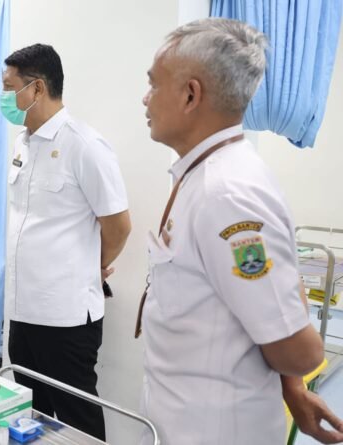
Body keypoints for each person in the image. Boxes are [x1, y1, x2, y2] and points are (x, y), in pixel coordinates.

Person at [138, 18, 342, 444]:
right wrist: (292, 387)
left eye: (154, 84)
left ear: (191, 95)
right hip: (181, 421)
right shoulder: (205, 173)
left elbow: (298, 350)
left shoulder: (226, 194)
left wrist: (297, 371)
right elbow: (265, 300)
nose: (146, 98)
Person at [2, 44, 131, 440]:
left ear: (37, 89)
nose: (4, 97)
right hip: (22, 308)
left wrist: (95, 265)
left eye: (9, 88)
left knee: (78, 420)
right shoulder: (23, 143)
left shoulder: (84, 146)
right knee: (30, 414)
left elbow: (118, 225)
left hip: (65, 316)